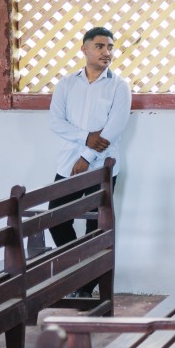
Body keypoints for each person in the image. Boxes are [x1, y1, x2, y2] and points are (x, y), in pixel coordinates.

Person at [48, 26, 131, 296]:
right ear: (84, 49)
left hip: (102, 167)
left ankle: (86, 288)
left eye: (110, 47)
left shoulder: (119, 86)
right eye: (100, 46)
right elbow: (56, 122)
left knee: (97, 227)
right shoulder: (66, 84)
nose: (107, 52)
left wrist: (86, 156)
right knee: (56, 219)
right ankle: (76, 274)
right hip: (67, 166)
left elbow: (113, 129)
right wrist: (85, 137)